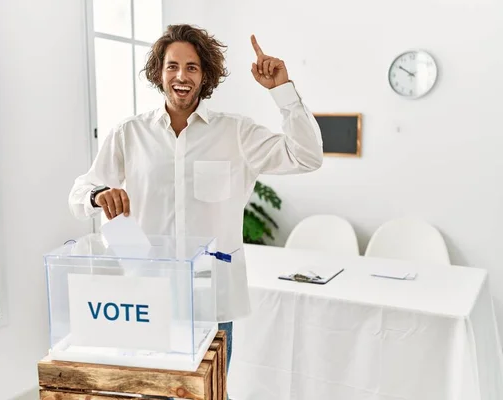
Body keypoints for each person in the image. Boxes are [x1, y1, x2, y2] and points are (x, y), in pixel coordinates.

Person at [68, 24, 323, 375]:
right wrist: (99, 195)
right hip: (146, 296)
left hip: (211, 301)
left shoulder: (236, 133)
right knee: (153, 392)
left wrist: (282, 91)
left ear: (205, 76)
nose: (181, 76)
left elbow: (307, 156)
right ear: (159, 72)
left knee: (209, 394)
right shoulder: (129, 133)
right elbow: (81, 192)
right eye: (172, 66)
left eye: (192, 67)